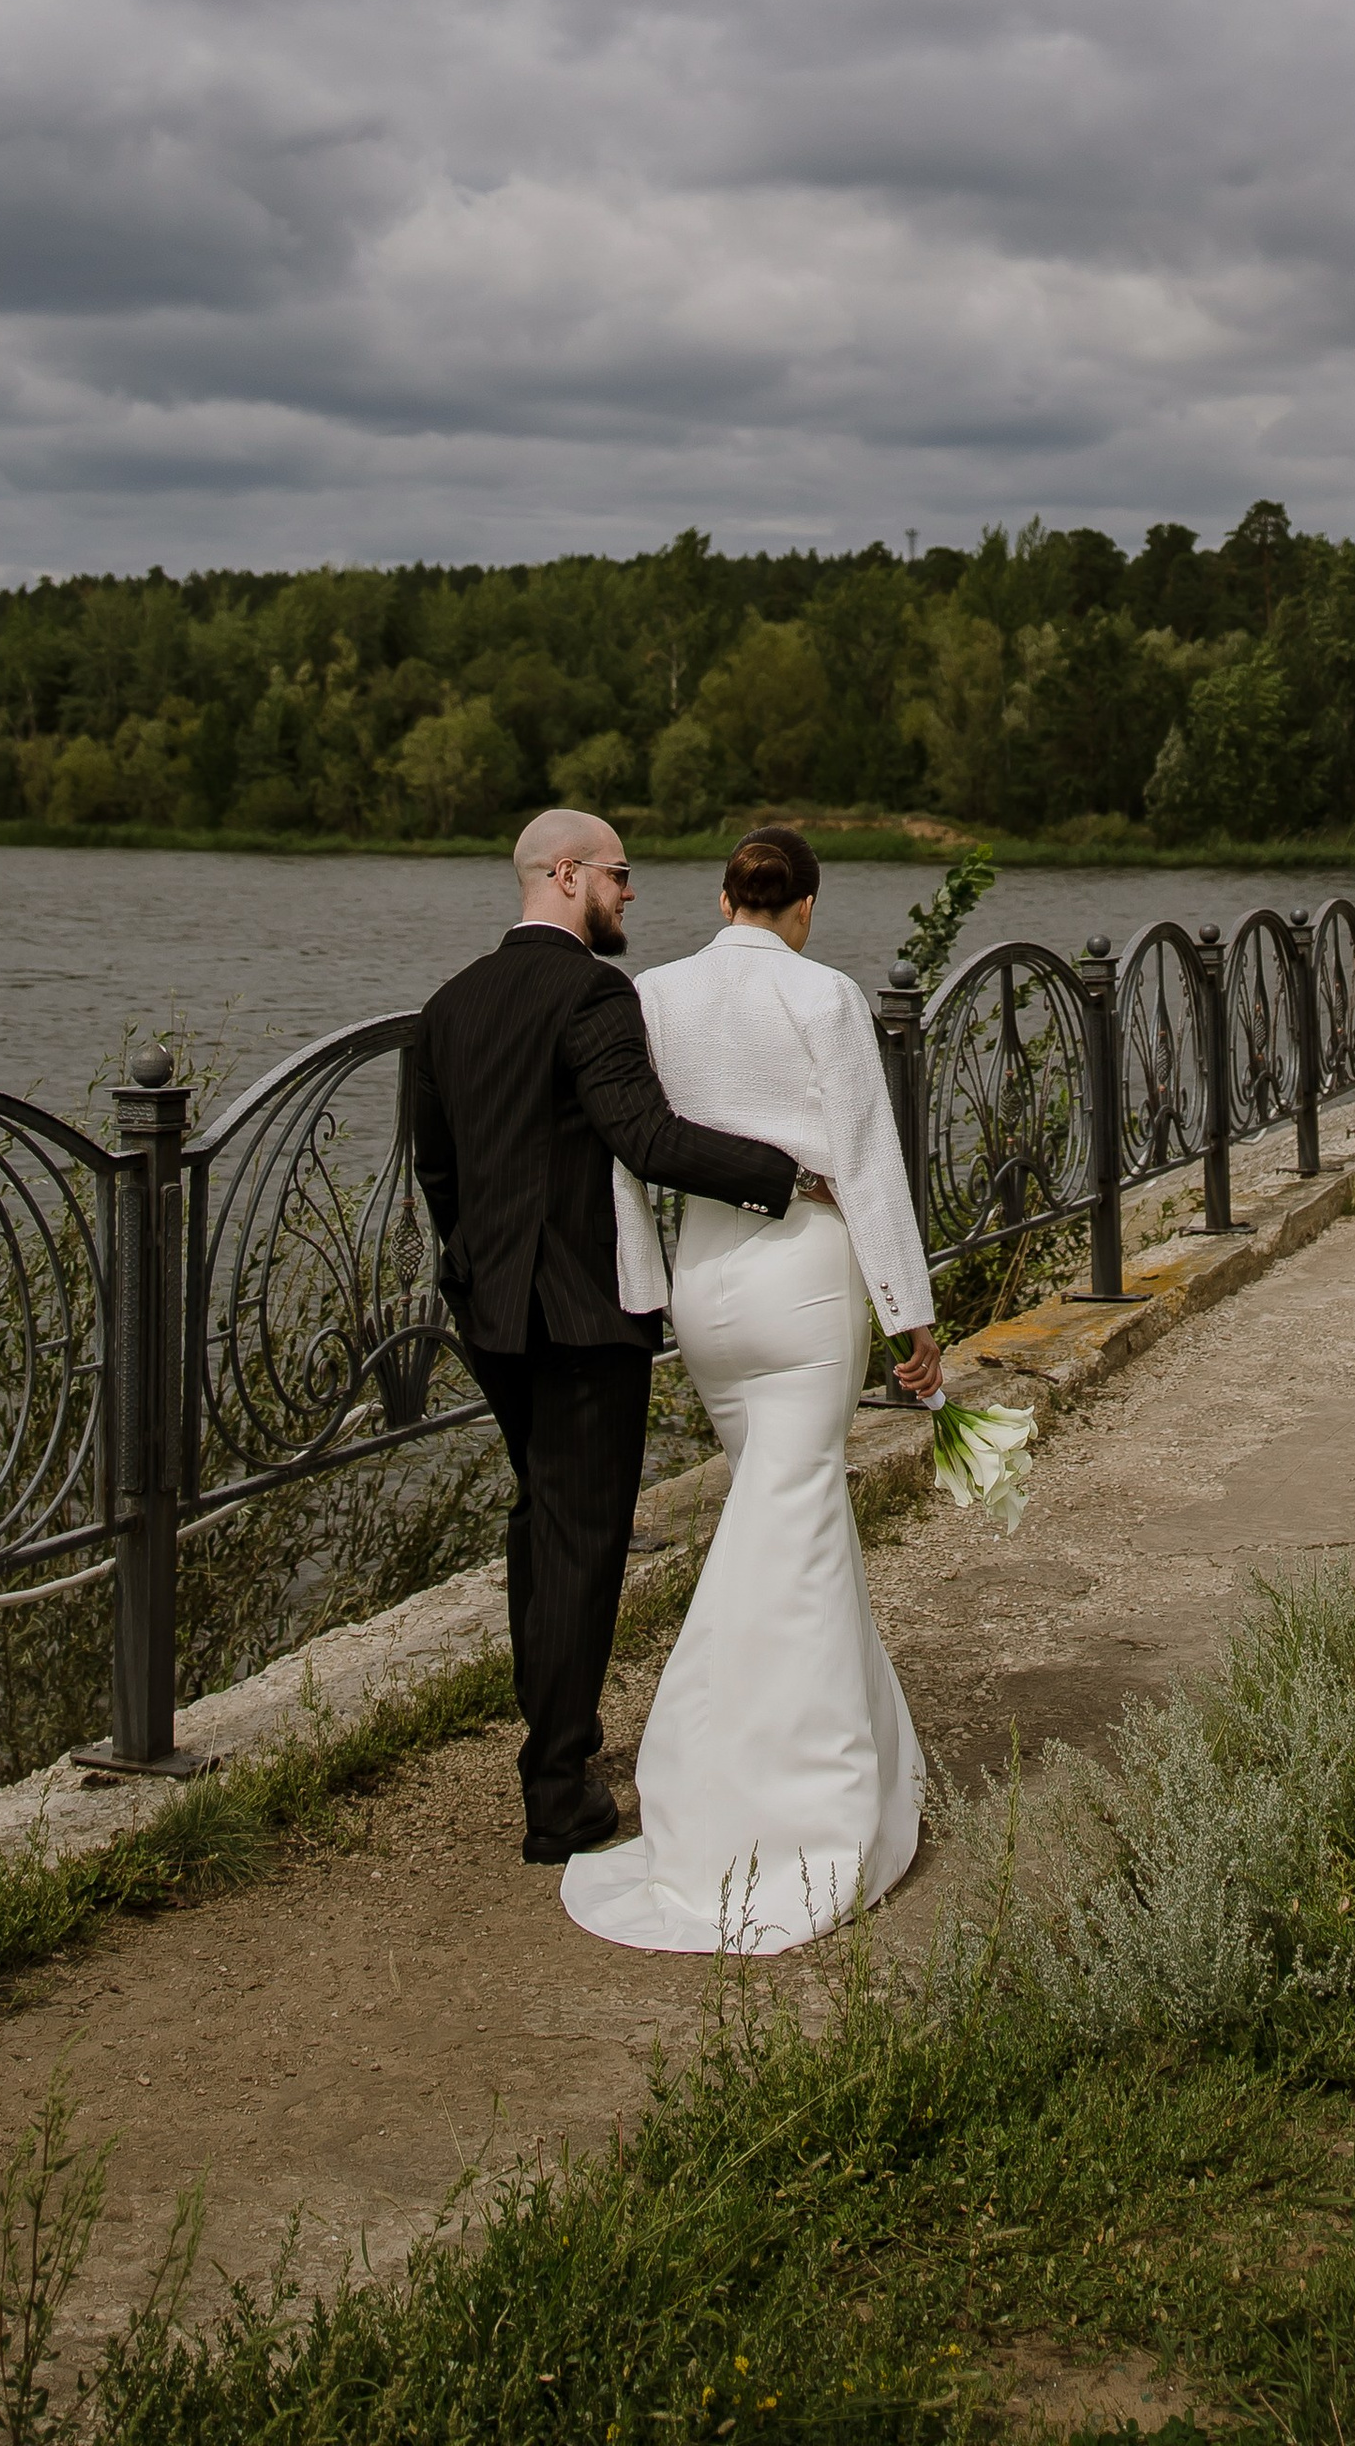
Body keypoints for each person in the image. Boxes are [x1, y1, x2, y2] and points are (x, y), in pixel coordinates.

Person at [561, 824, 944, 1955]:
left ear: (724, 897)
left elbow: (625, 1149)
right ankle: (762, 1805)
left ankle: (843, 1760)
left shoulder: (656, 996)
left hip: (705, 1285)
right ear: (804, 907)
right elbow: (868, 1165)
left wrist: (652, 1289)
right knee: (795, 1522)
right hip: (807, 1280)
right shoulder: (823, 999)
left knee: (785, 1521)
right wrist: (910, 1313)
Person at [407, 808, 800, 1865]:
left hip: (491, 1311)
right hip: (584, 1312)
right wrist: (787, 1177)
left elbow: (436, 1171)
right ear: (566, 873)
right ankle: (557, 1793)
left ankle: (550, 1747)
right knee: (583, 1538)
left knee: (543, 1524)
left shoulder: (447, 1007)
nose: (631, 893)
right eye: (620, 875)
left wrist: (480, 1266)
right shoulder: (592, 991)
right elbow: (644, 1137)